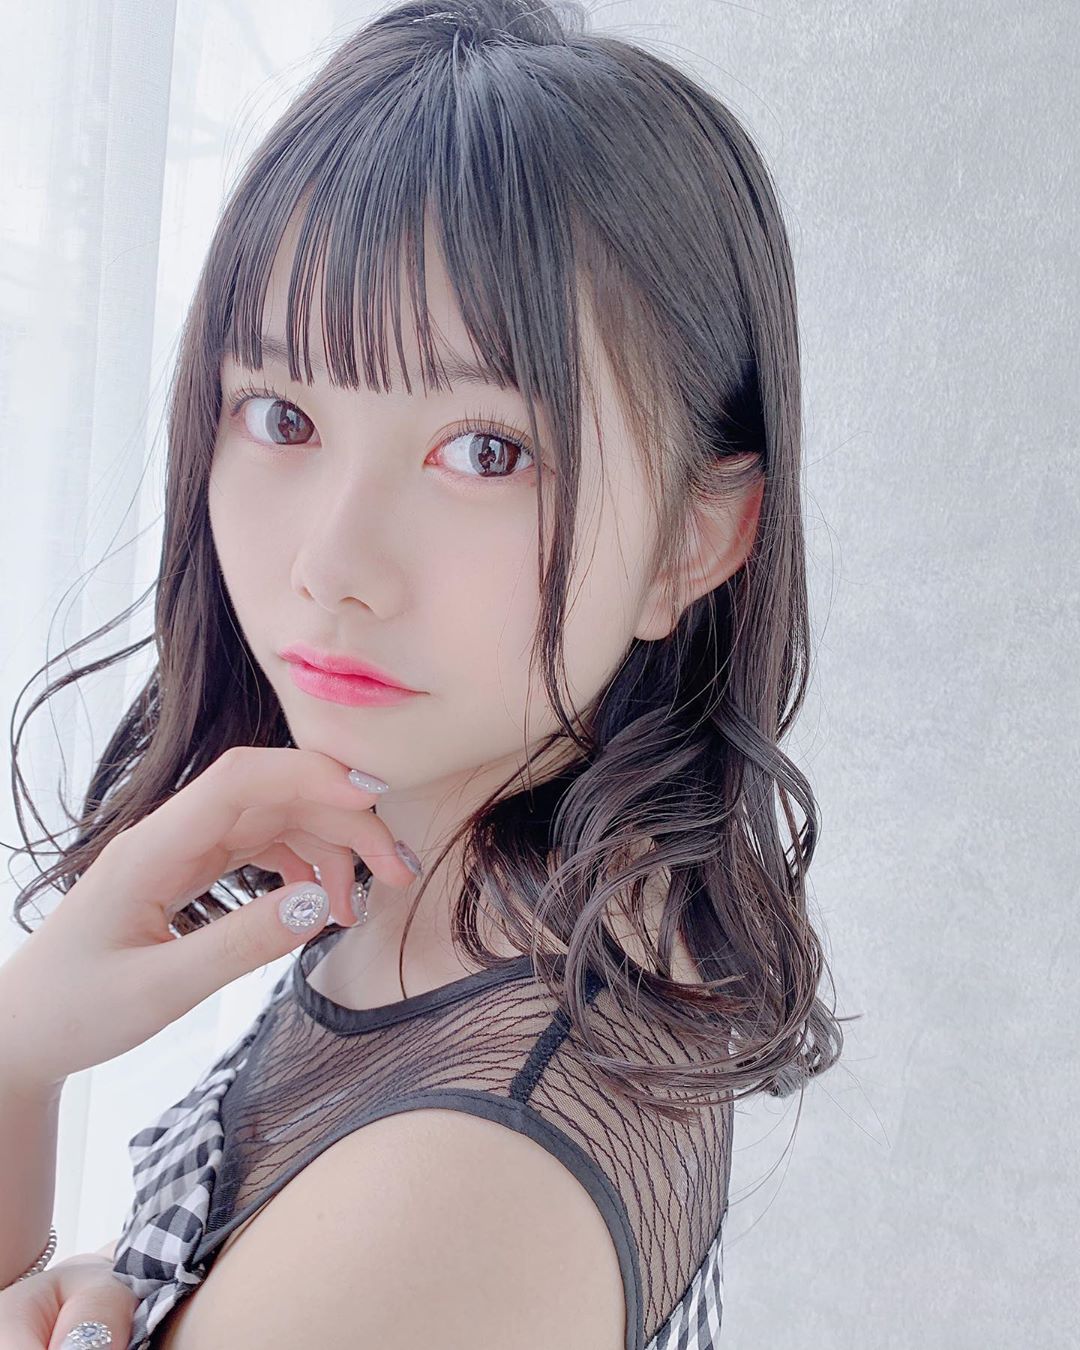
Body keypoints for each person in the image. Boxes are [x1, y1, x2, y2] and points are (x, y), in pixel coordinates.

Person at [0, 1, 846, 1346]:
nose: (332, 564)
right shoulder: (459, 901)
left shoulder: (466, 1179)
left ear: (694, 537)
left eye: (485, 452)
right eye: (282, 414)